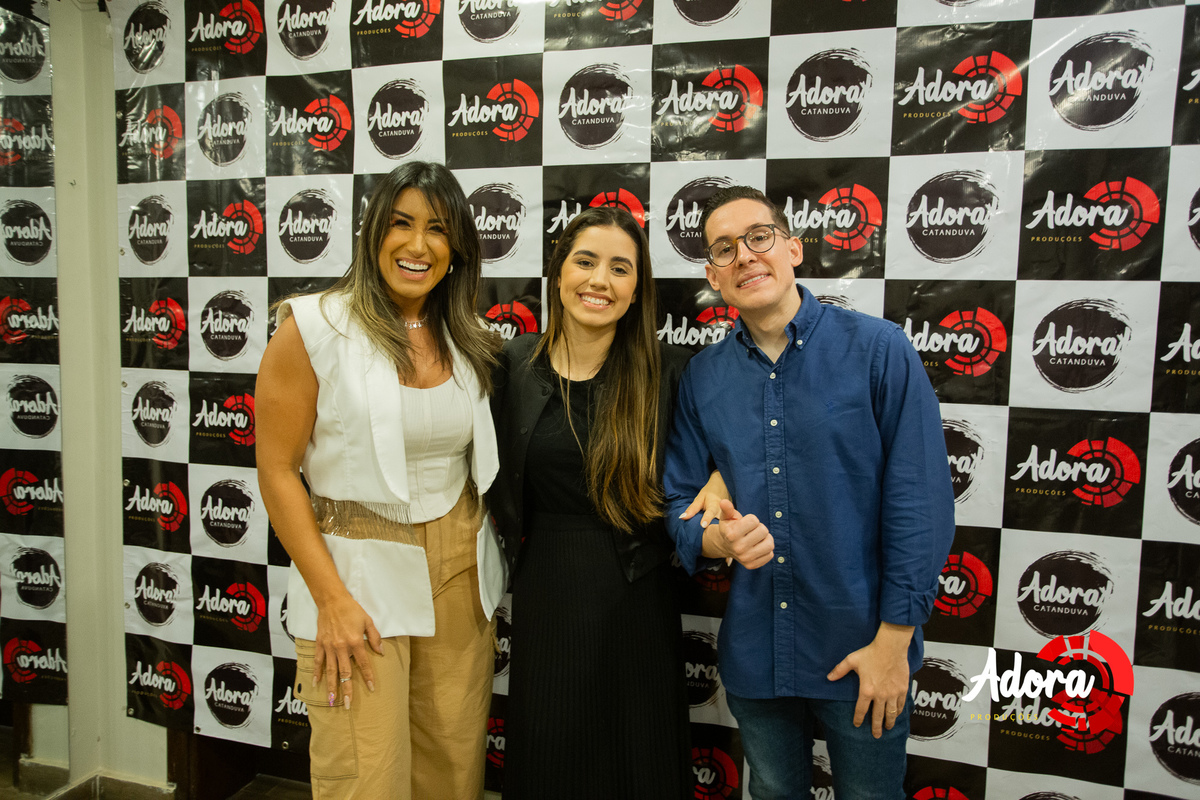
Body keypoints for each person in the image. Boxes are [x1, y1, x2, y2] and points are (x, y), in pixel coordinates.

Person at [663, 186, 956, 799]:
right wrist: (716, 540)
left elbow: (920, 505)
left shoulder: (879, 350)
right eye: (724, 248)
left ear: (793, 248)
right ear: (713, 276)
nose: (745, 255)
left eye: (759, 237)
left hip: (865, 649)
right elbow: (679, 501)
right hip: (757, 653)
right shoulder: (702, 378)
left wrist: (894, 643)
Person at [256, 161, 504, 800]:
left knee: (453, 768)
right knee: (368, 773)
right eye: (401, 223)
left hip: (460, 571)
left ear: (458, 249)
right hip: (355, 574)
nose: (418, 245)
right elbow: (277, 471)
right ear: (373, 232)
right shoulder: (313, 327)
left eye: (438, 230)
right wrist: (331, 599)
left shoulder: (470, 336)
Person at [489, 206, 696, 799]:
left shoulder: (670, 372)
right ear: (558, 272)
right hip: (546, 587)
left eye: (620, 268)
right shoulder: (513, 363)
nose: (600, 280)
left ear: (637, 290)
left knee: (637, 757)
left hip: (638, 589)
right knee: (551, 748)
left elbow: (722, 455)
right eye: (585, 261)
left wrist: (719, 482)